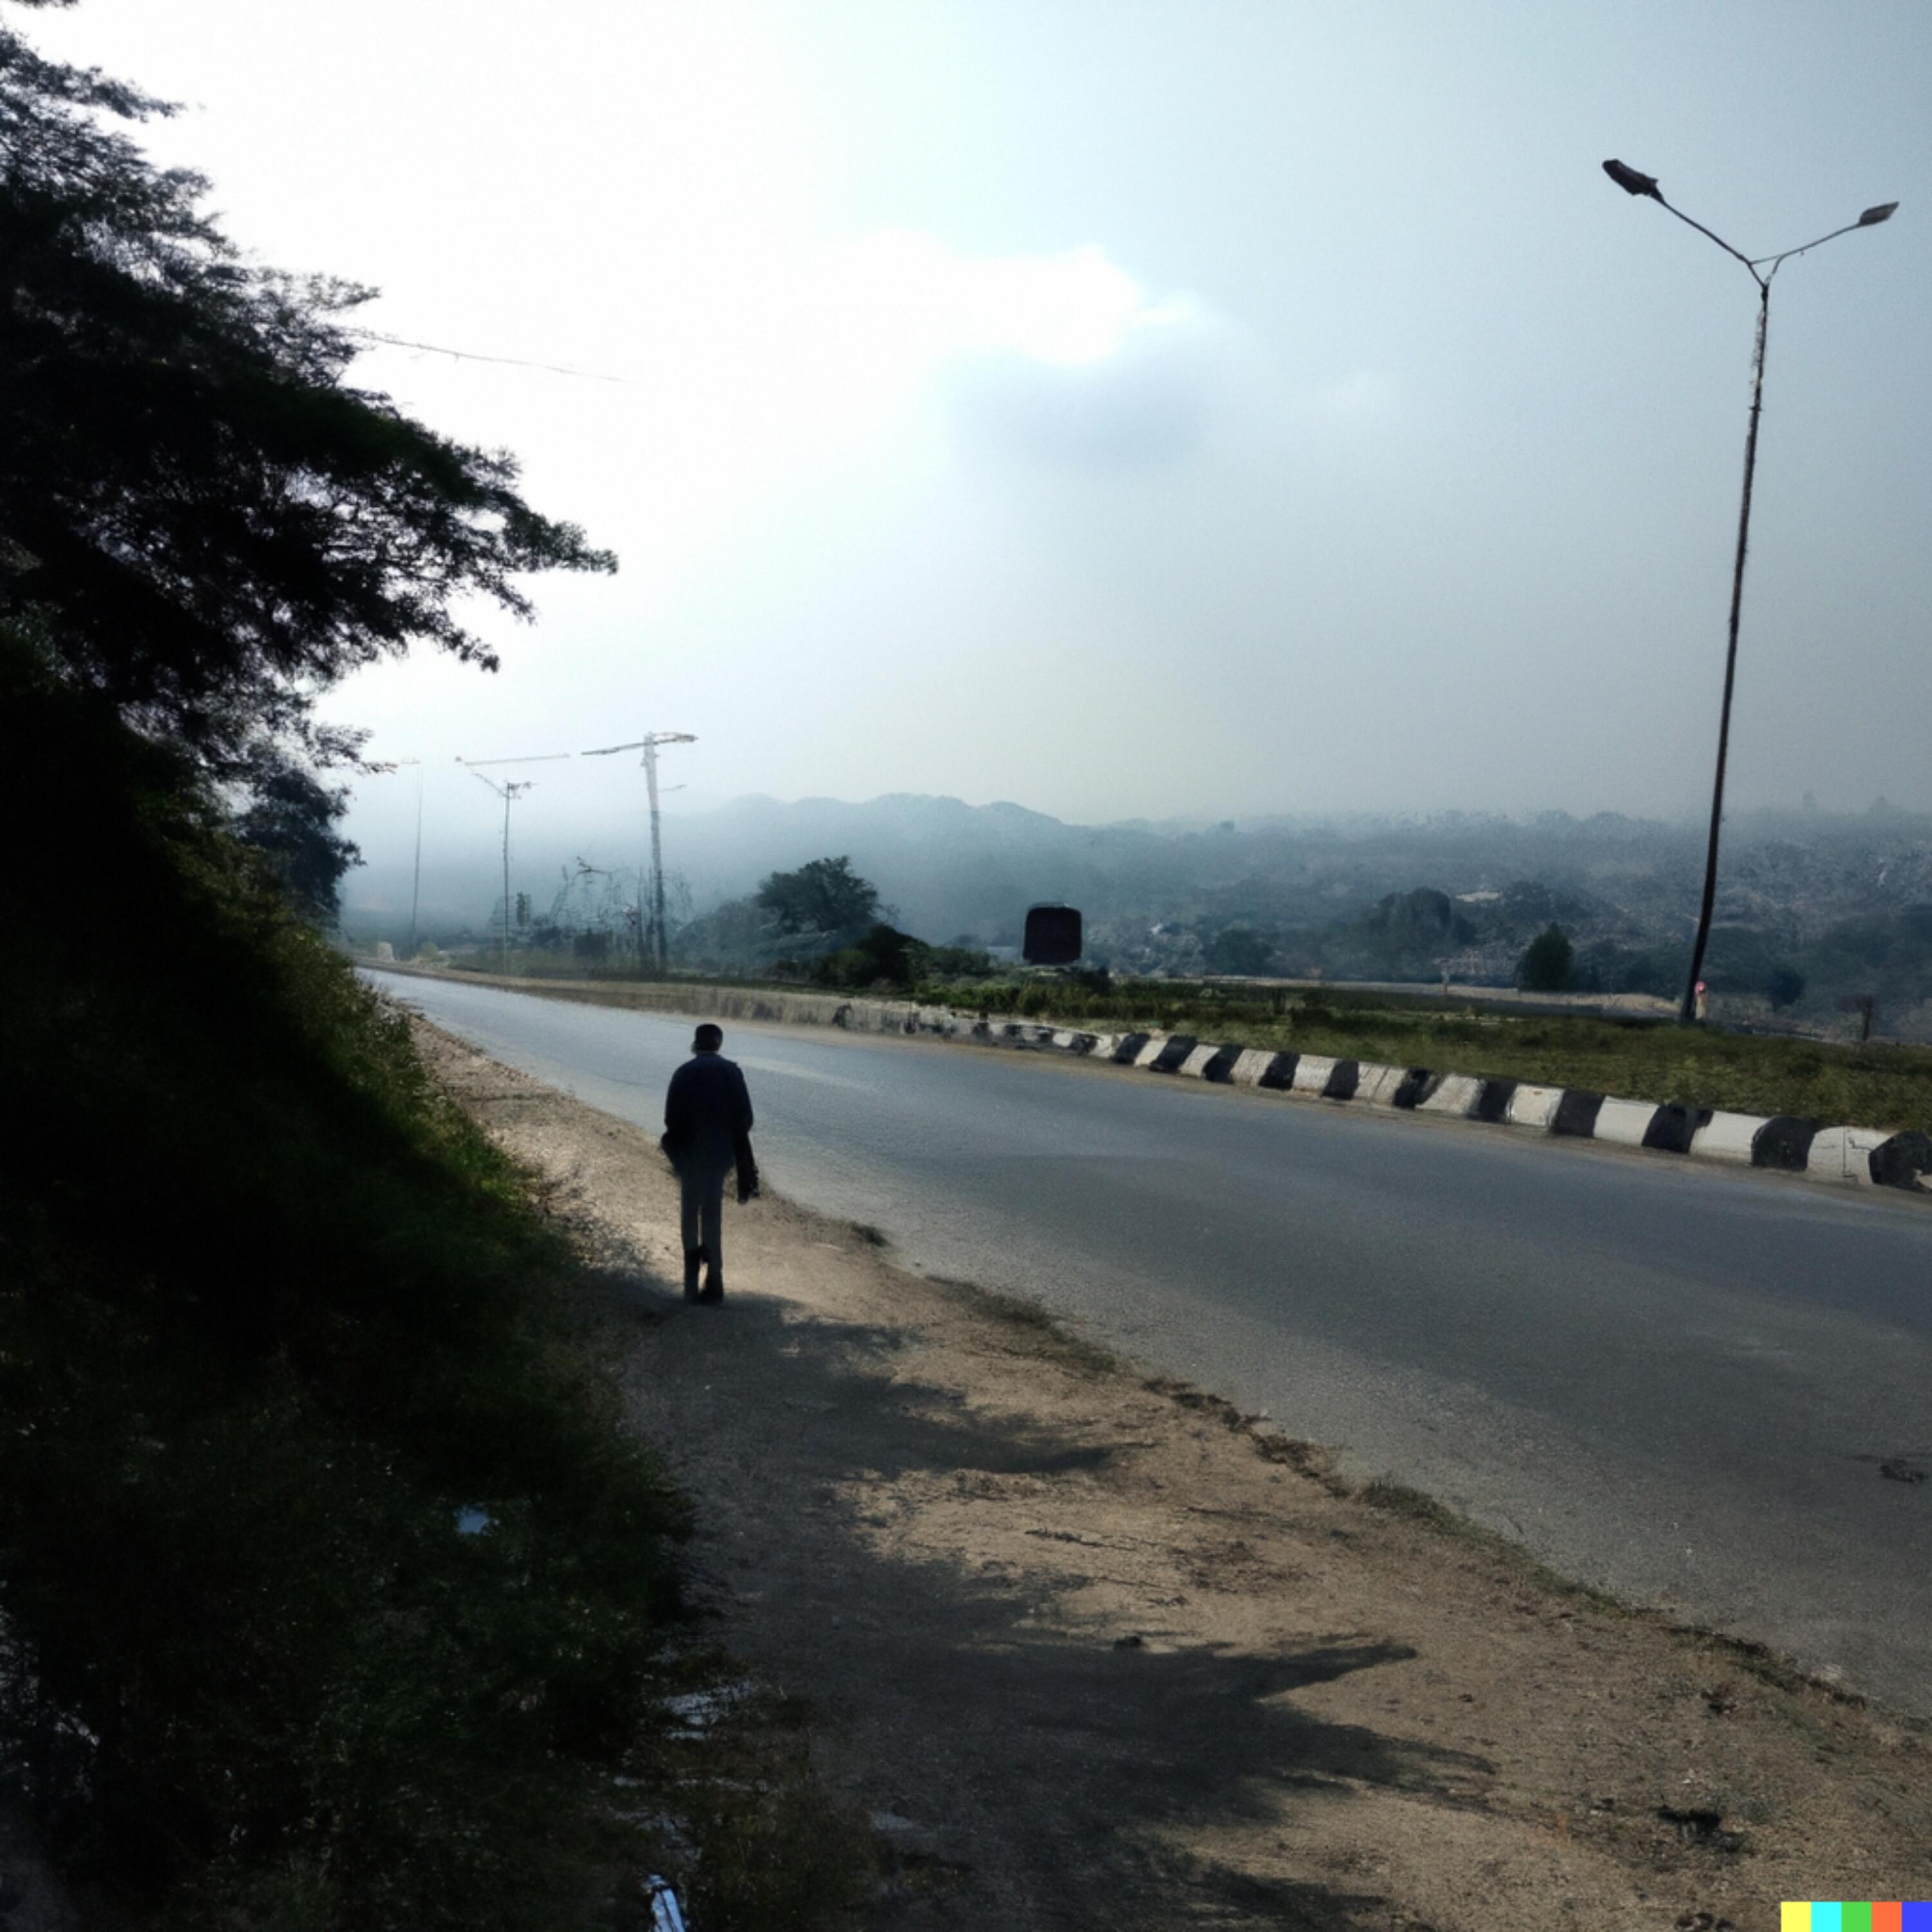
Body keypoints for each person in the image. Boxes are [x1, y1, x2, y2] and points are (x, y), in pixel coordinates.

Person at [661, 1023, 757, 1303]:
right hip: (719, 1155)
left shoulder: (683, 1072)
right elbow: (746, 1119)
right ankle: (715, 1283)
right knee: (713, 1215)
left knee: (690, 1215)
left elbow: (671, 1119)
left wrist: (680, 1150)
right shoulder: (732, 1072)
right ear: (719, 1043)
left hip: (690, 1155)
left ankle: (690, 1285)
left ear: (696, 1043)